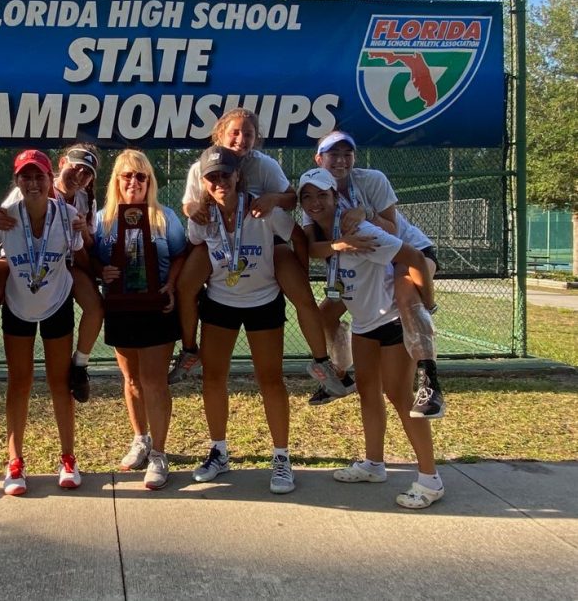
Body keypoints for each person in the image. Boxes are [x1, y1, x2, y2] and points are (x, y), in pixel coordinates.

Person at [171, 107, 349, 399]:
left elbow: (292, 199)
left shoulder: (264, 165)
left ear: (256, 139)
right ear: (220, 135)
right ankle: (190, 351)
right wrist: (194, 209)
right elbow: (189, 204)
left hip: (267, 241)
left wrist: (273, 198)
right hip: (217, 242)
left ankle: (321, 362)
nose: (241, 139)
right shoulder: (201, 166)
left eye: (248, 134)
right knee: (184, 287)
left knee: (302, 295)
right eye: (235, 133)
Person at [299, 167, 445, 509]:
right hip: (364, 323)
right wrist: (338, 245)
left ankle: (430, 479)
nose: (314, 202)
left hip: (392, 320)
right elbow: (313, 249)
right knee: (367, 394)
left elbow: (412, 256)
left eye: (322, 194)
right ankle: (374, 464)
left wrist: (427, 301)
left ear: (336, 197)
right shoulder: (322, 232)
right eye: (307, 196)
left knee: (399, 396)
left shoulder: (361, 230)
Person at [303, 131, 444, 418]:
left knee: (406, 296)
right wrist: (338, 244)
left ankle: (430, 383)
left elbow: (392, 230)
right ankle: (340, 376)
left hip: (408, 251)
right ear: (319, 159)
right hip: (369, 262)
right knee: (324, 316)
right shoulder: (314, 191)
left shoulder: (372, 179)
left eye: (347, 154)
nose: (341, 160)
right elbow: (310, 247)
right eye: (333, 154)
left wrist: (364, 212)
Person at [187, 146, 302, 494]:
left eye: (226, 174)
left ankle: (282, 458)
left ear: (238, 175)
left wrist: (298, 268)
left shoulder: (262, 207)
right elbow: (194, 246)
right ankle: (219, 451)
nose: (220, 181)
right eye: (213, 176)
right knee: (213, 378)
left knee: (270, 380)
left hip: (263, 299)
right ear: (204, 182)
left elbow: (294, 233)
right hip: (220, 301)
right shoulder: (201, 217)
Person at [0, 144, 103, 407]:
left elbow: (83, 246)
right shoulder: (27, 189)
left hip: (60, 264)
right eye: (75, 168)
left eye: (87, 173)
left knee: (95, 306)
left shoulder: (83, 200)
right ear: (60, 165)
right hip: (20, 264)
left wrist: (85, 234)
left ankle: (80, 365)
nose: (79, 176)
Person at [0, 149, 87, 496]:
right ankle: (15, 462)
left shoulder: (68, 214)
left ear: (49, 180)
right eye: (25, 177)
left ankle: (68, 458)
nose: (32, 183)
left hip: (56, 303)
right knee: (20, 383)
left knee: (60, 384)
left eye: (38, 176)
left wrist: (85, 232)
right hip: (18, 305)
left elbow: (80, 249)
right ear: (17, 182)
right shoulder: (5, 218)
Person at [93, 149, 186, 489]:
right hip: (120, 307)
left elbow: (179, 255)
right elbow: (91, 259)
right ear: (116, 181)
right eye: (126, 176)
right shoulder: (102, 218)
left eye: (141, 176)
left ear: (150, 181)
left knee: (154, 381)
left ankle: (160, 454)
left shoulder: (165, 217)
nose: (134, 182)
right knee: (131, 379)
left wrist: (171, 284)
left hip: (156, 308)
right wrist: (102, 270)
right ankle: (141, 438)